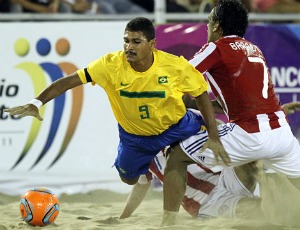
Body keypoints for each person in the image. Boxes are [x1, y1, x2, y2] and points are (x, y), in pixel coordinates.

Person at [3, 17, 229, 186]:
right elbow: (70, 81)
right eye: (126, 41)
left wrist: (213, 135)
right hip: (135, 138)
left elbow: (200, 93)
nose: (129, 47)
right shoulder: (109, 66)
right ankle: (152, 159)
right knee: (128, 179)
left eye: (136, 42)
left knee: (213, 135)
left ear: (152, 44)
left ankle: (203, 125)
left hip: (176, 125)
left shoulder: (175, 66)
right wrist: (37, 102)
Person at [161, 0, 300, 226]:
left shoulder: (216, 47)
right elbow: (244, 100)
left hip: (249, 134)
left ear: (216, 26)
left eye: (208, 23)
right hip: (282, 134)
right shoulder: (254, 48)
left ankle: (167, 224)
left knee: (176, 156)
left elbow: (181, 74)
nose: (207, 28)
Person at [120, 148, 262, 220]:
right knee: (261, 210)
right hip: (207, 203)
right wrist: (123, 218)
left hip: (225, 177)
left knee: (249, 156)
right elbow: (141, 185)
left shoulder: (184, 121)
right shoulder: (141, 153)